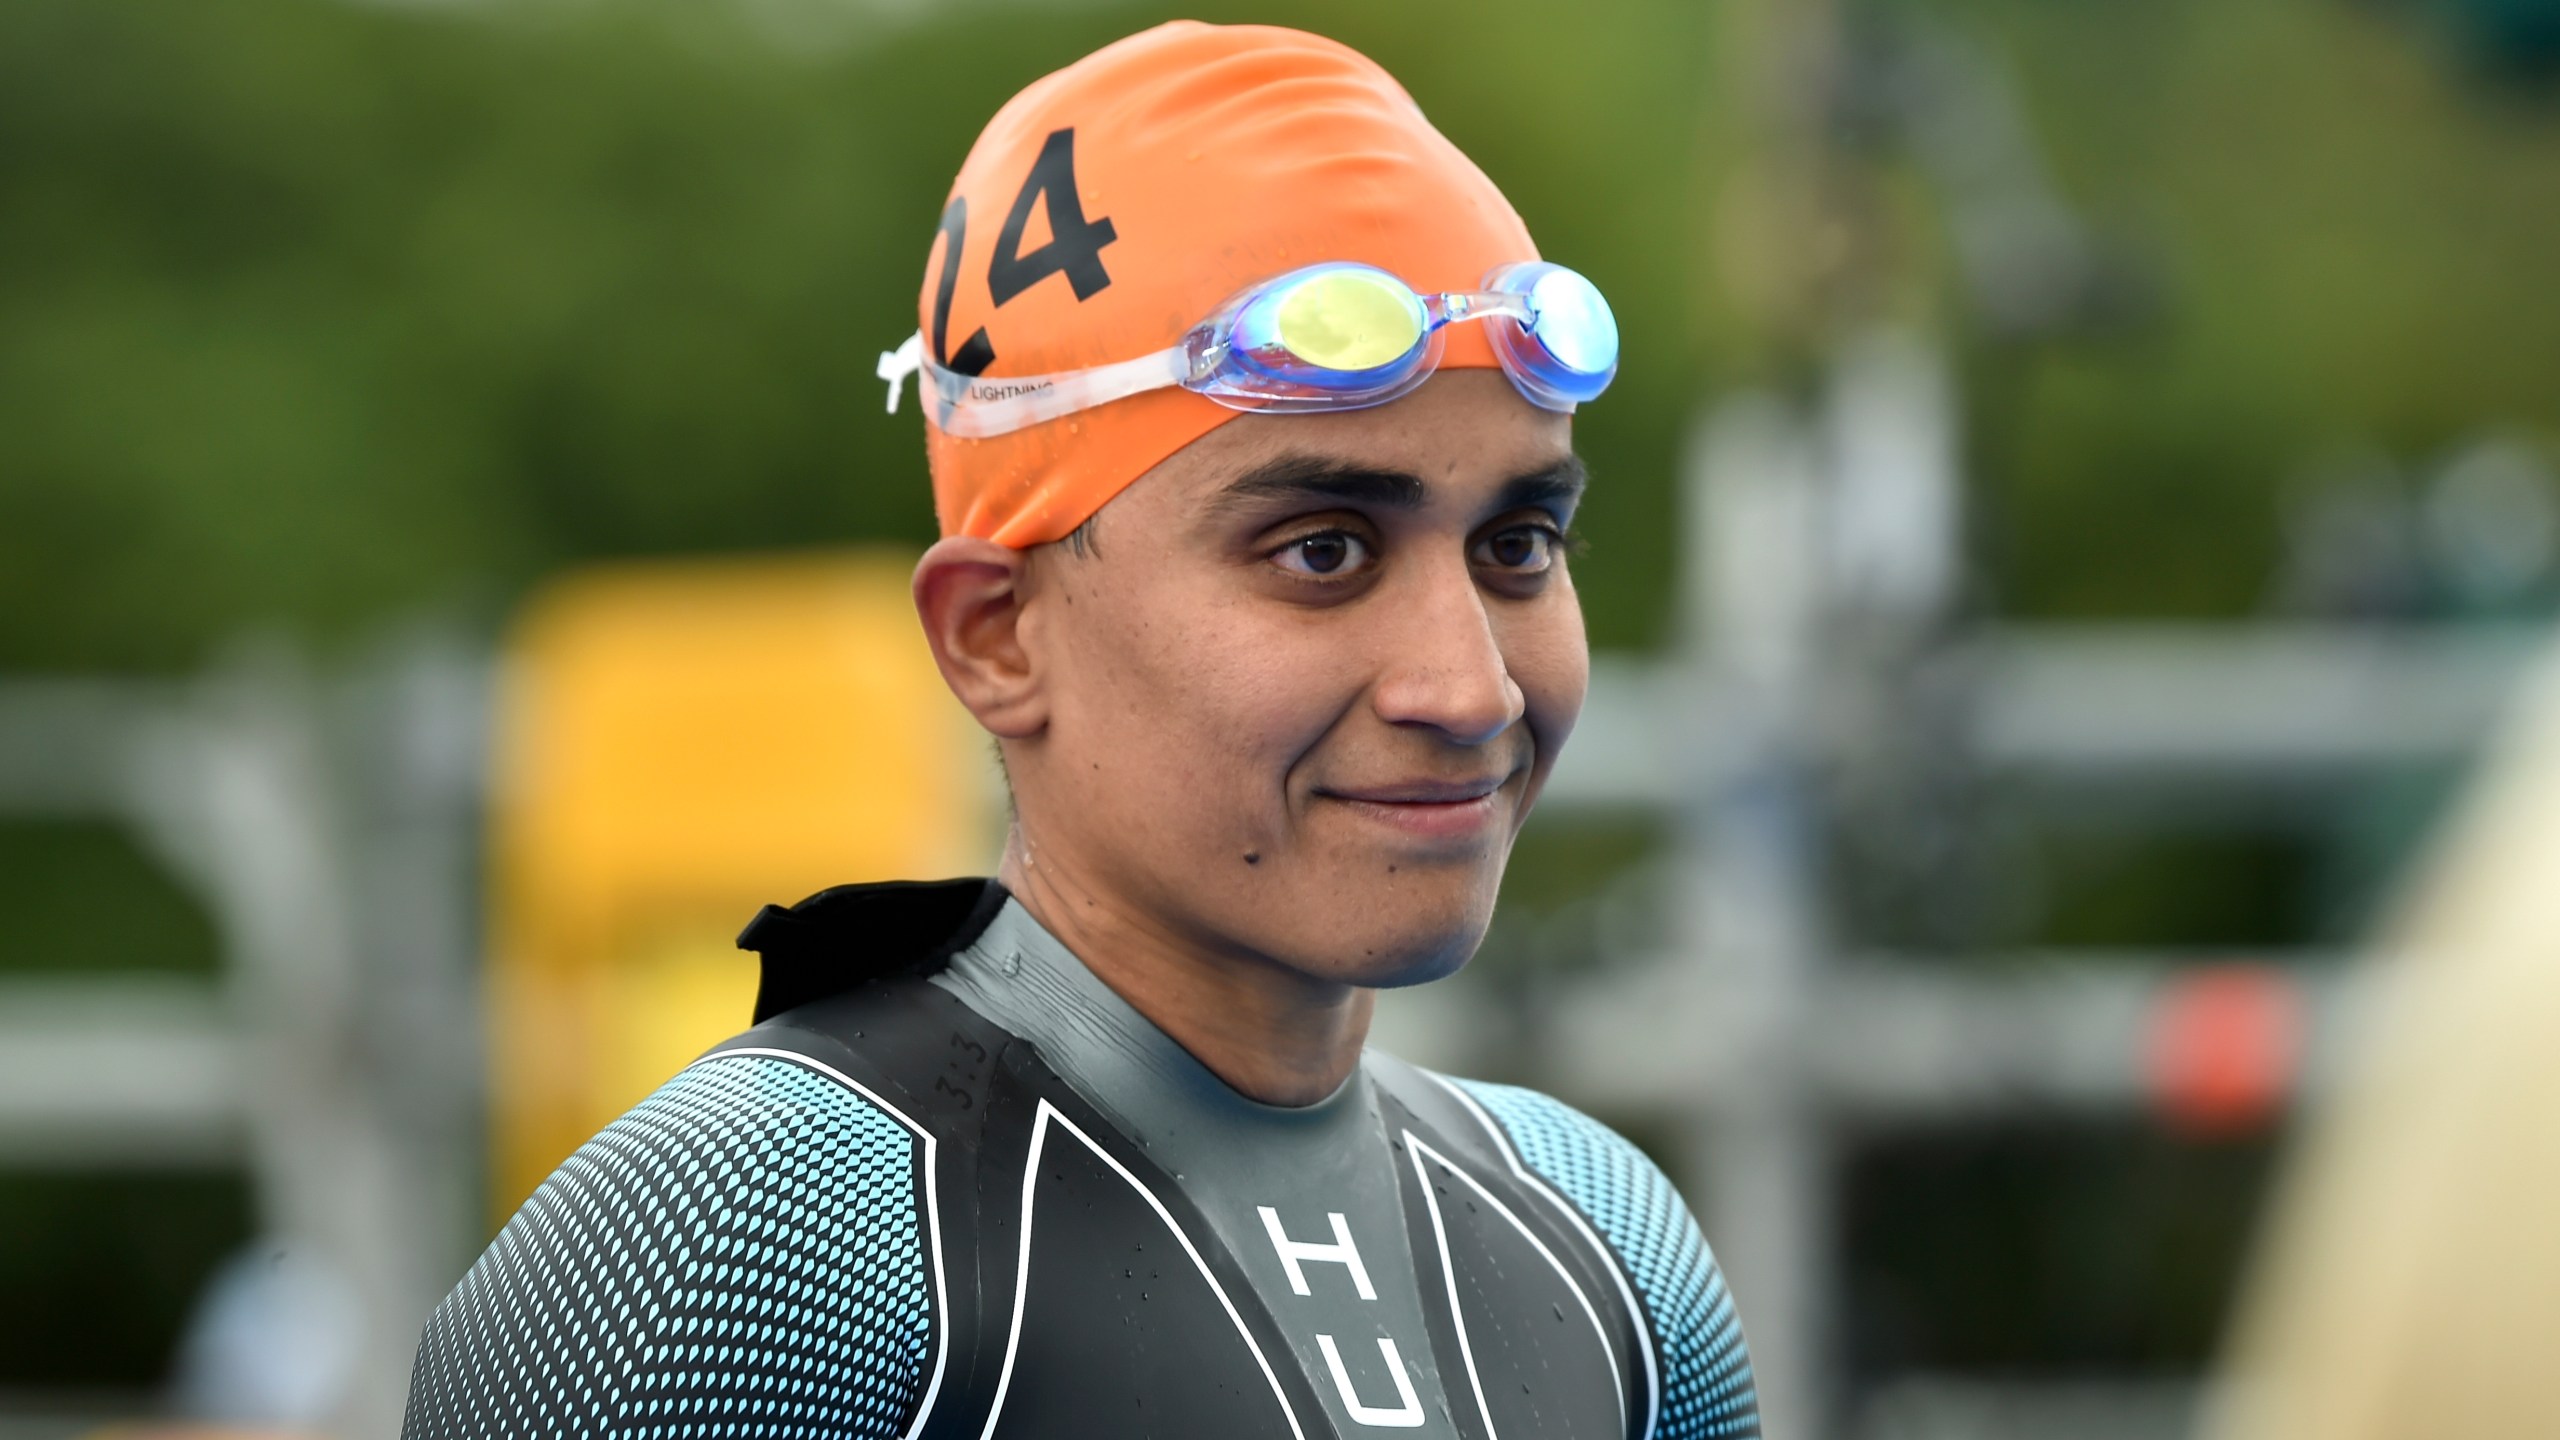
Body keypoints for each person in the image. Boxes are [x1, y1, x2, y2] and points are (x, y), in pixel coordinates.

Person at [403, 21, 1760, 1440]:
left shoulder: (1607, 1245)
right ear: (999, 637)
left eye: (1519, 545)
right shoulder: (751, 1256)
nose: (1470, 687)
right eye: (1323, 552)